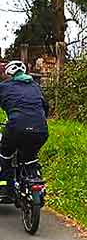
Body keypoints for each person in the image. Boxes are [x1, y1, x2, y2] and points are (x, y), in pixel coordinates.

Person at [0, 60, 49, 198]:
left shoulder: (3, 86)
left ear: (8, 73)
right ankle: (35, 181)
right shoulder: (35, 86)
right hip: (40, 129)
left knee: (5, 154)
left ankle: (7, 189)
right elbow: (45, 107)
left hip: (16, 127)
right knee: (30, 156)